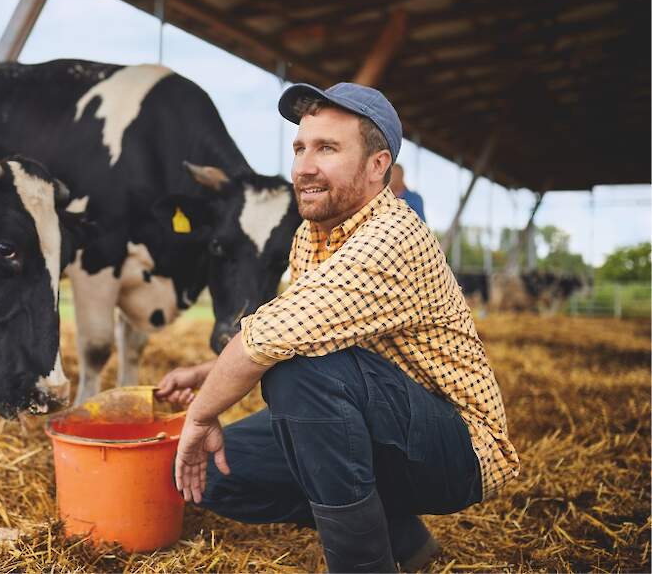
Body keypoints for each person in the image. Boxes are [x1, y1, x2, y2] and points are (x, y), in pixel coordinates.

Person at [156, 82, 519, 573]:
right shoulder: (312, 233)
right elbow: (292, 325)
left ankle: (363, 566)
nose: (304, 165)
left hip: (457, 447)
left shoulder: (392, 236)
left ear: (376, 167)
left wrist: (200, 417)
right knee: (218, 474)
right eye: (301, 148)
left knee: (298, 376)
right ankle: (403, 539)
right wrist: (209, 372)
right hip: (379, 415)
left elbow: (273, 341)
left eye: (327, 148)